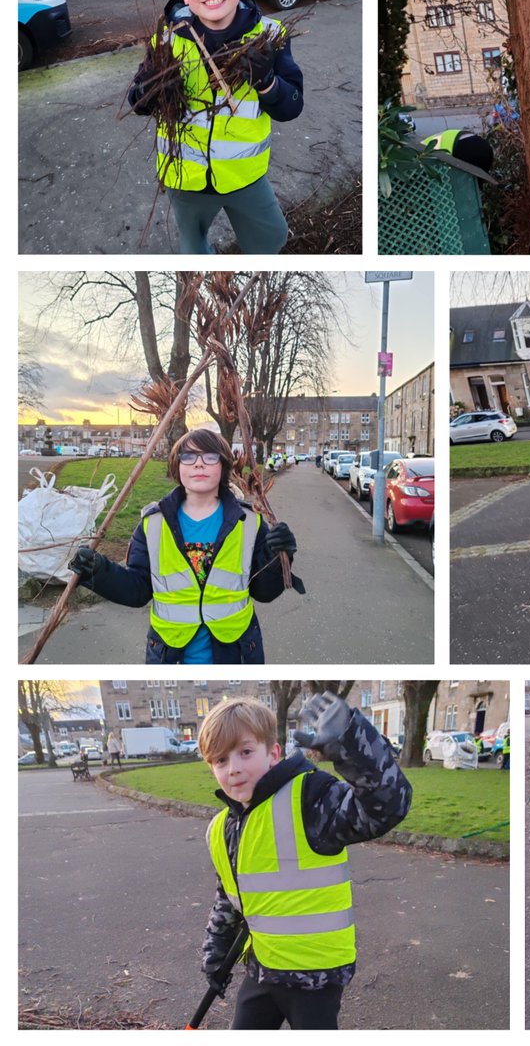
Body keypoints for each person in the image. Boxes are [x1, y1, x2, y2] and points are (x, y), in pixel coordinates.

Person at [198, 692, 411, 1030]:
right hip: (264, 970)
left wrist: (352, 745)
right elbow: (229, 895)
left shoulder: (310, 800)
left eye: (245, 752)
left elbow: (385, 806)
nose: (234, 768)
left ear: (274, 753)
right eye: (220, 761)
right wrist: (216, 955)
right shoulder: (221, 829)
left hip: (316, 979)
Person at [128, 0, 304, 254]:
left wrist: (266, 81)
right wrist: (149, 91)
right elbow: (136, 100)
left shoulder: (268, 36)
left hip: (244, 175)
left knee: (272, 237)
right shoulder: (168, 41)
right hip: (184, 177)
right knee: (192, 247)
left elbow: (292, 107)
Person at [68, 428, 299, 664]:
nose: (199, 464)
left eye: (210, 457)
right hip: (170, 655)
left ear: (224, 466)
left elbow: (264, 592)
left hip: (236, 653)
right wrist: (98, 571)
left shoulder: (249, 522)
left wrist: (277, 556)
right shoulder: (153, 524)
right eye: (188, 457)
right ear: (177, 467)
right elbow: (137, 590)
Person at [421, 128, 494, 175]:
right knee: (476, 185)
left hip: (463, 147)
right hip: (482, 145)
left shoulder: (418, 156)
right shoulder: (423, 144)